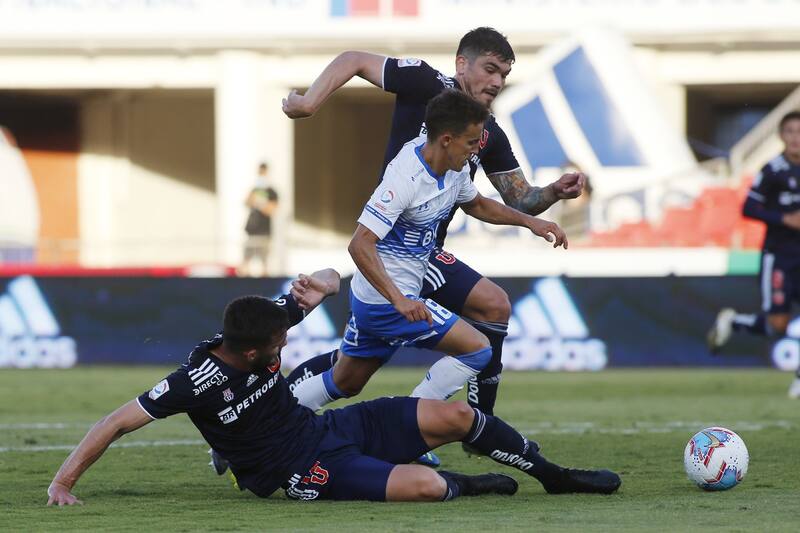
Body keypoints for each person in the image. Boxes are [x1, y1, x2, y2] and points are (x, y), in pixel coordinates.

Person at [46, 268, 621, 505]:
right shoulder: (195, 382)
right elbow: (115, 422)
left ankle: (554, 476)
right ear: (252, 352)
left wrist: (322, 282)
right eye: (280, 343)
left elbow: (321, 284)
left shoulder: (261, 326)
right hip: (298, 469)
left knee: (455, 417)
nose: (287, 341)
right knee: (428, 486)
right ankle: (468, 484)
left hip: (327, 429)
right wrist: (62, 482)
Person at [282, 27, 586, 432]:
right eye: (490, 69)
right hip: (390, 249)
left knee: (491, 307)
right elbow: (353, 59)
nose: (497, 82)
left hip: (426, 253)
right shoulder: (424, 82)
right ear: (461, 63)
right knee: (351, 374)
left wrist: (551, 193)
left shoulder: (487, 133)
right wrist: (309, 102)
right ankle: (427, 424)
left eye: (504, 75)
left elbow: (516, 198)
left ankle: (478, 421)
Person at [707, 111, 800, 398]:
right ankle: (734, 321)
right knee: (777, 324)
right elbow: (748, 207)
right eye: (790, 132)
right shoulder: (773, 170)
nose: (796, 138)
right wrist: (784, 218)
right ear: (781, 136)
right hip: (779, 255)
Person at [240, 162, 278, 277]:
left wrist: (260, 203)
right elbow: (246, 202)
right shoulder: (254, 189)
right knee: (245, 262)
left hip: (264, 232)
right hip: (252, 231)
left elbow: (271, 210)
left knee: (264, 263)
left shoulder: (271, 192)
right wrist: (253, 199)